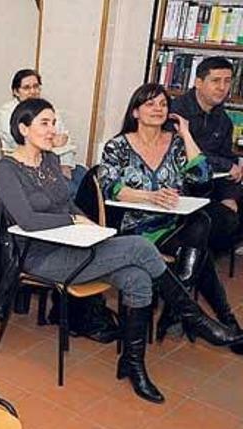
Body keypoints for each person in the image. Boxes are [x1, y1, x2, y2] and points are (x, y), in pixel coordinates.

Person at [0, 97, 242, 403]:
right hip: (39, 256)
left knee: (137, 278)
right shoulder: (6, 168)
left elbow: (66, 202)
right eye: (45, 123)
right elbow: (28, 220)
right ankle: (192, 317)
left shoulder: (49, 160)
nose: (52, 129)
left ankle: (133, 364)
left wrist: (85, 221)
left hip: (76, 245)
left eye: (53, 122)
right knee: (139, 248)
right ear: (23, 128)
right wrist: (73, 219)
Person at [99, 83, 243, 352]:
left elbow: (201, 179)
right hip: (136, 229)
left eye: (163, 104)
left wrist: (186, 134)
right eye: (150, 104)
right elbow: (110, 187)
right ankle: (221, 321)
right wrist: (149, 197)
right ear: (135, 112)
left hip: (172, 227)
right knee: (202, 255)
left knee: (201, 223)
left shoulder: (175, 144)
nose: (158, 109)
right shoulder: (117, 146)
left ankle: (180, 310)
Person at [170, 56, 242, 251]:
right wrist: (226, 165)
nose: (222, 87)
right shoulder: (176, 112)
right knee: (222, 219)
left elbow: (230, 158)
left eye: (227, 81)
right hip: (181, 187)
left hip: (212, 186)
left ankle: (206, 257)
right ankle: (195, 260)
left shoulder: (223, 119)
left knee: (233, 211)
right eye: (216, 80)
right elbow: (183, 155)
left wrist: (230, 197)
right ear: (198, 83)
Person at [0, 69, 85, 196]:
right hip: (30, 167)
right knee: (72, 191)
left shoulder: (46, 108)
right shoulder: (7, 113)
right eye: (26, 88)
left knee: (87, 179)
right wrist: (53, 143)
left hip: (58, 162)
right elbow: (20, 140)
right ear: (16, 91)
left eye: (36, 86)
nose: (33, 91)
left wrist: (66, 164)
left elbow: (66, 138)